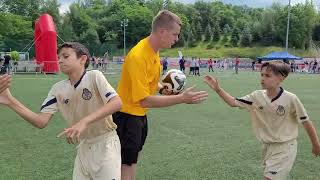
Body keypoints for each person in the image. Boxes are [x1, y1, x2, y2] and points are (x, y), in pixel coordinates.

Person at [0, 42, 122, 180]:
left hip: (106, 144)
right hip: (83, 148)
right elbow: (41, 121)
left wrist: (84, 122)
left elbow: (117, 103)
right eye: (59, 57)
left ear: (82, 59)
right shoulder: (57, 89)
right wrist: (10, 101)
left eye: (65, 56)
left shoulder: (94, 76)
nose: (60, 60)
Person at [112, 10, 208, 180]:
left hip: (139, 117)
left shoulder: (153, 51)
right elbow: (143, 100)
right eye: (175, 34)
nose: (176, 39)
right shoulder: (138, 56)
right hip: (127, 116)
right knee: (126, 165)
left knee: (132, 160)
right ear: (162, 32)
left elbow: (148, 82)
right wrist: (181, 98)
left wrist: (163, 87)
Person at [204, 61, 320, 180]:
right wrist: (218, 89)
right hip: (267, 147)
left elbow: (305, 121)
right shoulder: (256, 96)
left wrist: (316, 144)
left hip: (285, 147)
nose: (263, 79)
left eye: (268, 75)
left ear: (281, 78)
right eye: (262, 75)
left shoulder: (290, 99)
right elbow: (233, 102)